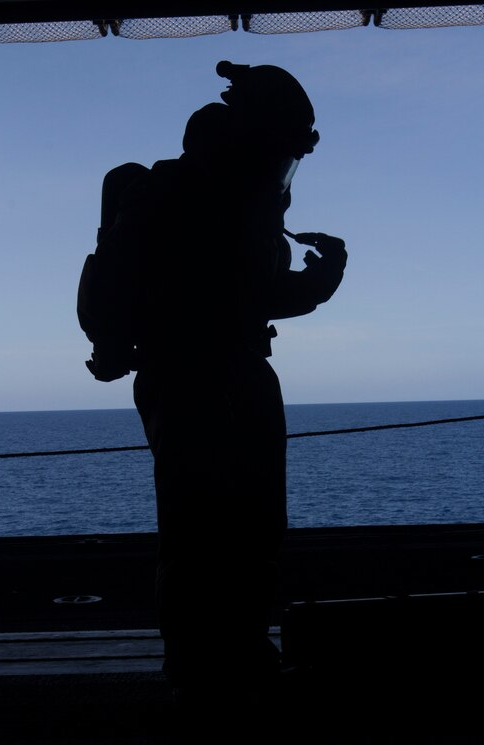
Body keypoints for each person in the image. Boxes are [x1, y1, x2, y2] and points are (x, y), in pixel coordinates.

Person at [78, 61, 347, 697]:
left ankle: (221, 666)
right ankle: (209, 674)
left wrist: (313, 282)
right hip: (205, 377)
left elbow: (242, 293)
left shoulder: (196, 196)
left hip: (208, 375)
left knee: (230, 529)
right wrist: (323, 278)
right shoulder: (194, 202)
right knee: (215, 532)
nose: (282, 173)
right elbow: (241, 294)